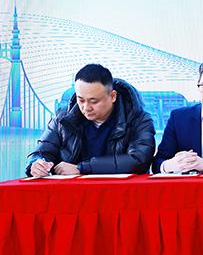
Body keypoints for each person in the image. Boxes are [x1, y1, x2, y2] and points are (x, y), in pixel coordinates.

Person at [26, 64, 155, 176]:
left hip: (119, 192)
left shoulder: (139, 119)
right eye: (81, 100)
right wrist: (36, 164)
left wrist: (82, 168)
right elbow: (42, 152)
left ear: (113, 96)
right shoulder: (62, 118)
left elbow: (139, 160)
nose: (86, 108)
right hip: (72, 192)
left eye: (94, 101)